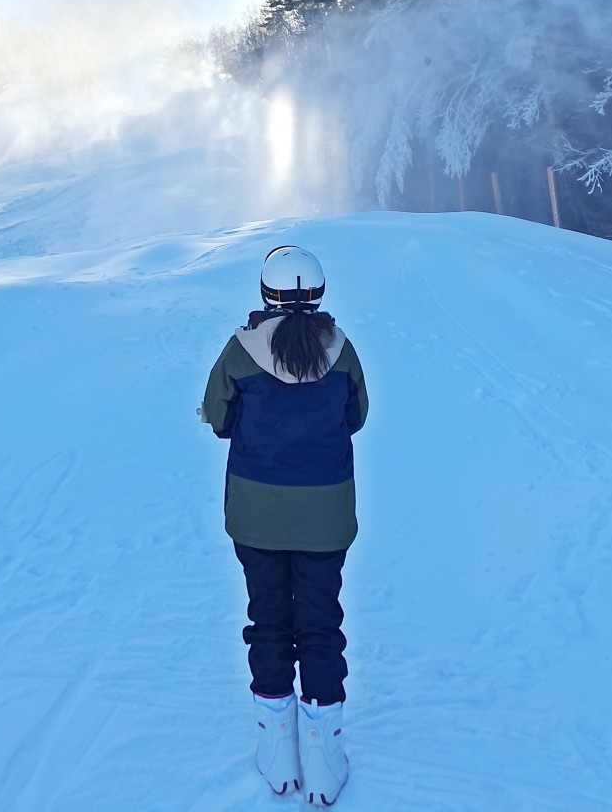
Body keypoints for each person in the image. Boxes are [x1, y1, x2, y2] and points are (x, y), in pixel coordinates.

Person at [200, 245, 369, 806]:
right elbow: (356, 417)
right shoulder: (342, 352)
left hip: (256, 513)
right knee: (320, 624)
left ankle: (277, 752)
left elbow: (220, 420)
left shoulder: (239, 350)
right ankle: (324, 760)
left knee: (268, 620)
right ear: (318, 295)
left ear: (266, 294)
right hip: (325, 515)